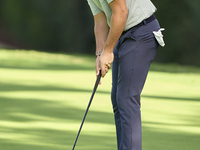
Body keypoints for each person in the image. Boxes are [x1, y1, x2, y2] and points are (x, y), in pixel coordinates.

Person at [87, 0, 164, 150]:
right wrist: (99, 54)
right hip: (122, 35)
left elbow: (121, 12)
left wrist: (108, 51)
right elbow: (100, 22)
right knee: (117, 99)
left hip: (142, 32)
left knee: (126, 99)